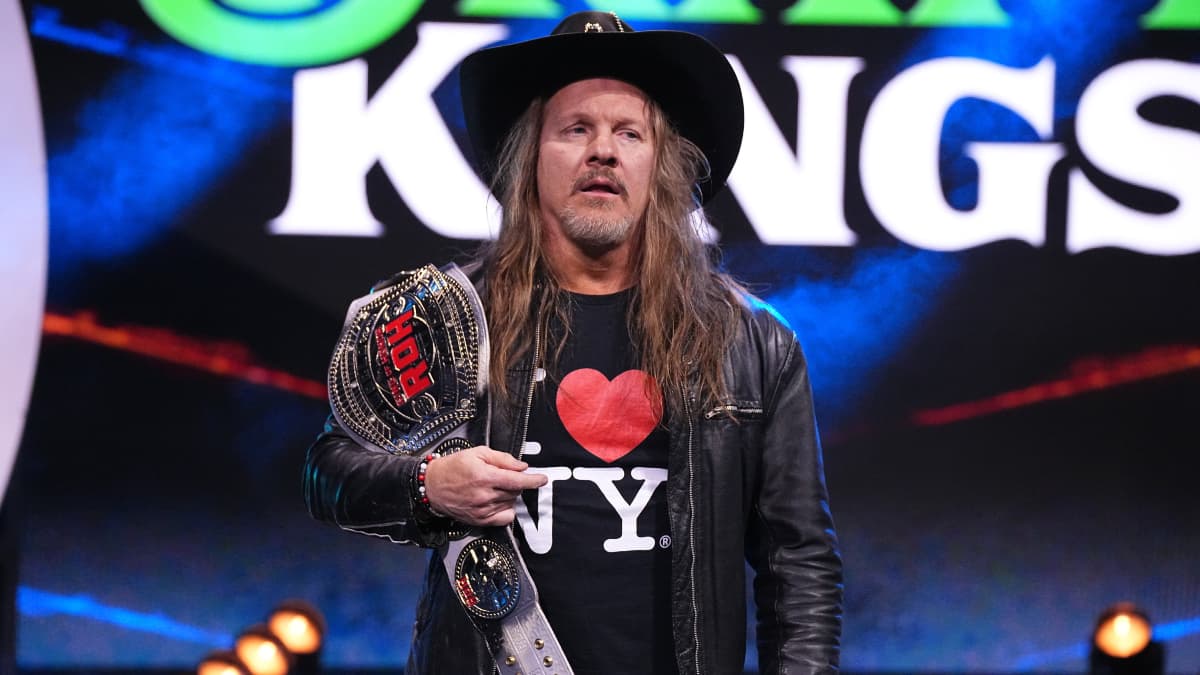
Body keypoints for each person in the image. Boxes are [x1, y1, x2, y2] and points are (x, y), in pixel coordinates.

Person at [304, 10, 842, 674]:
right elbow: (328, 471)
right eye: (576, 129)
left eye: (629, 132)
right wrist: (426, 484)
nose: (603, 152)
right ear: (530, 156)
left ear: (662, 166)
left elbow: (800, 563)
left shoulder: (752, 342)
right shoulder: (447, 319)